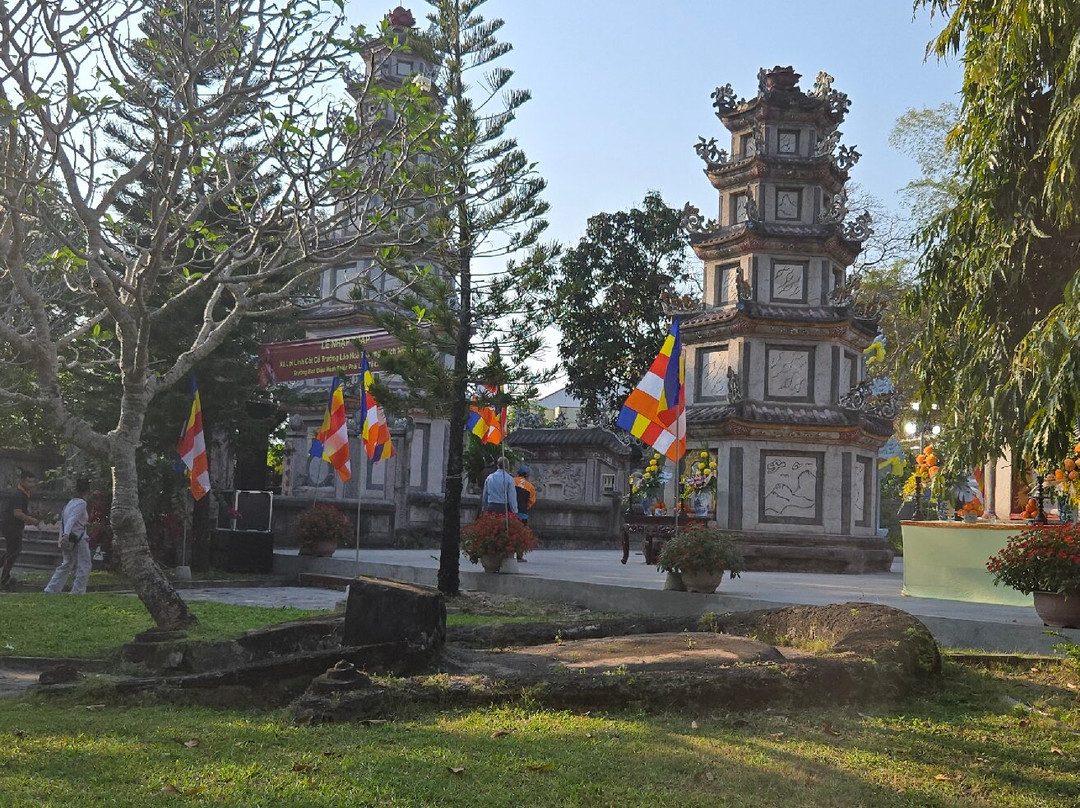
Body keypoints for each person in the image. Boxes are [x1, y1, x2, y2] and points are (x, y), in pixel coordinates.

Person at [44, 478, 93, 595]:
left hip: (68, 537)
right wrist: (66, 535)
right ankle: (78, 591)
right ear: (87, 491)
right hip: (77, 538)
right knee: (84, 564)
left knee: (67, 563)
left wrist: (63, 536)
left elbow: (65, 520)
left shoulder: (70, 503)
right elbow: (72, 519)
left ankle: (52, 588)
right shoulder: (81, 503)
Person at [0, 470, 42, 588]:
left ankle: (5, 577)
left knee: (12, 550)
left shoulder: (24, 494)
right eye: (29, 482)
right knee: (14, 551)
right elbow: (17, 513)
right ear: (22, 481)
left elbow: (22, 511)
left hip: (12, 525)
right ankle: (4, 578)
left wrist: (33, 515)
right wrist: (32, 521)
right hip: (10, 525)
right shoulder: (18, 494)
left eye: (33, 482)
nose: (31, 484)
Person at [513, 464, 536, 561]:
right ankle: (519, 556)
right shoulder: (530, 487)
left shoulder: (512, 481)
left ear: (518, 473)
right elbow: (532, 501)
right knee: (521, 534)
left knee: (509, 532)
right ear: (527, 475)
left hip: (511, 512)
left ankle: (507, 554)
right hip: (522, 513)